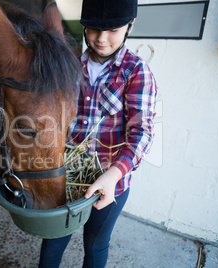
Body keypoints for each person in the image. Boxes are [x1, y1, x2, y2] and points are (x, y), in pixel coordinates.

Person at [38, 0, 157, 267]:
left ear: (130, 25)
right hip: (65, 178)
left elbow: (141, 133)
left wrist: (112, 176)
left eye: (113, 29)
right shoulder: (68, 65)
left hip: (111, 183)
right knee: (54, 240)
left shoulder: (136, 71)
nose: (101, 39)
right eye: (92, 29)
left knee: (95, 245)